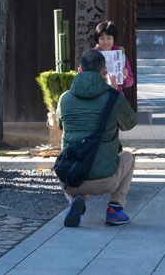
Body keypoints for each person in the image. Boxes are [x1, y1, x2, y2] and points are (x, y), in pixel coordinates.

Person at [57, 49, 137, 227]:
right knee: (129, 158)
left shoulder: (64, 99)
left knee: (70, 156)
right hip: (105, 180)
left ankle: (74, 200)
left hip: (71, 180)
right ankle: (115, 208)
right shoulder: (113, 97)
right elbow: (130, 123)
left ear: (79, 70)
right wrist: (115, 93)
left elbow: (61, 125)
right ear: (104, 72)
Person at [93, 20, 135, 92]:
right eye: (102, 38)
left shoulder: (120, 55)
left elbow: (130, 82)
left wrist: (126, 76)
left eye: (109, 38)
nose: (105, 42)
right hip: (97, 96)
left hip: (116, 95)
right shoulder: (91, 56)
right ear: (97, 40)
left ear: (114, 39)